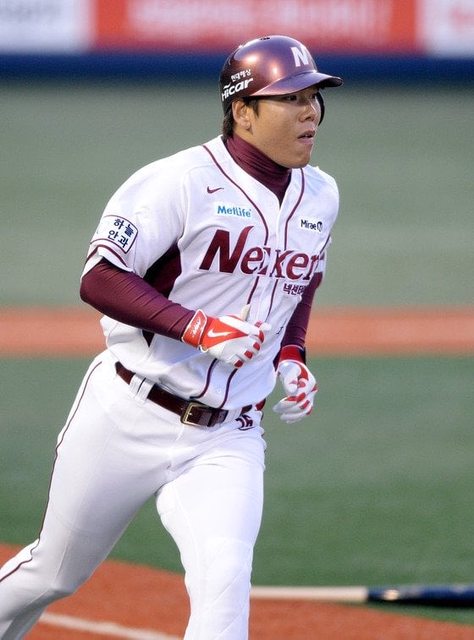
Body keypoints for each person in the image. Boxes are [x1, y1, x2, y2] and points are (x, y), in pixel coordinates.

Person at [0, 34, 342, 639]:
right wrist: (197, 327)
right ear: (243, 111)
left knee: (225, 580)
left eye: (313, 96)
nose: (310, 111)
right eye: (291, 98)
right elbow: (101, 277)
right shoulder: (177, 181)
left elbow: (301, 281)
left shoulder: (322, 194)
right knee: (54, 572)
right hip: (128, 411)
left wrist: (292, 355)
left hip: (229, 434)